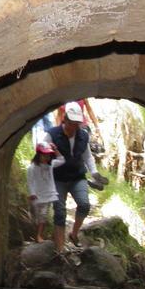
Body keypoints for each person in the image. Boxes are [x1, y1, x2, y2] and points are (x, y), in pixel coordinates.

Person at [46, 101, 98, 253]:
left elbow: (88, 157)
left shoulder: (83, 135)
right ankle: (60, 249)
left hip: (77, 176)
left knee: (84, 204)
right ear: (65, 120)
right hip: (58, 179)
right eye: (73, 123)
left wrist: (94, 173)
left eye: (78, 124)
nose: (76, 127)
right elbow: (40, 151)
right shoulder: (52, 134)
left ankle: (74, 234)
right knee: (60, 211)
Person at [26, 140, 64, 243]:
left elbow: (62, 160)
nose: (46, 158)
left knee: (43, 216)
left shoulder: (50, 165)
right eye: (44, 155)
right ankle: (35, 235)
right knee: (36, 216)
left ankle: (39, 235)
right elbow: (30, 181)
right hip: (37, 196)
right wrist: (32, 193)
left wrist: (55, 150)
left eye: (48, 155)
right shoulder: (32, 168)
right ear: (38, 155)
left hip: (48, 194)